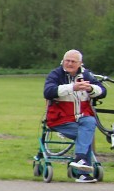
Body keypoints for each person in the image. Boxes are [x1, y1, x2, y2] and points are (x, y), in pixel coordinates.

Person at [44, 50, 106, 182]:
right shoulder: (55, 74)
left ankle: (79, 161)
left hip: (82, 116)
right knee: (85, 134)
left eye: (73, 61)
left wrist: (90, 89)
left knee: (90, 122)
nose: (69, 63)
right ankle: (82, 173)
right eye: (67, 60)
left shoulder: (86, 74)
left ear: (80, 63)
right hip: (60, 119)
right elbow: (48, 92)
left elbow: (102, 91)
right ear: (63, 61)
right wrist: (72, 87)